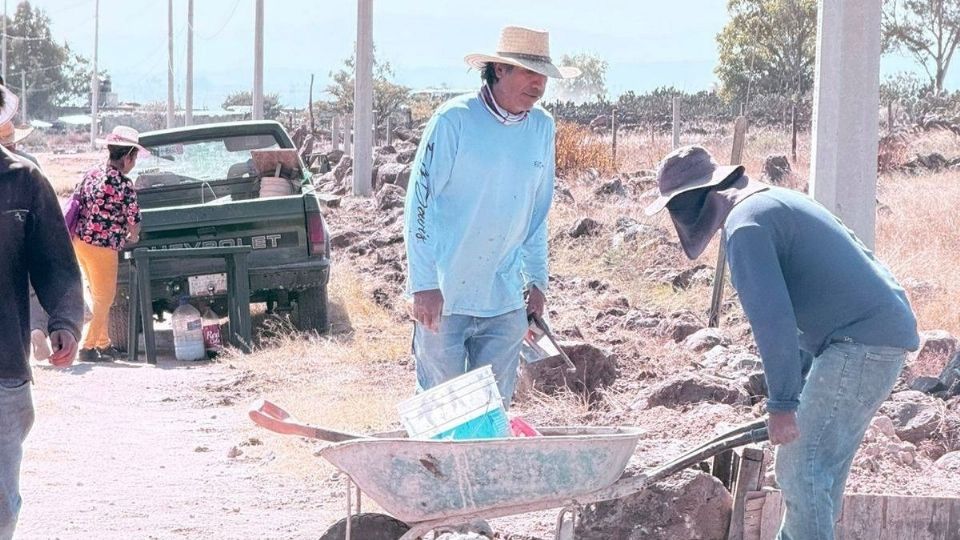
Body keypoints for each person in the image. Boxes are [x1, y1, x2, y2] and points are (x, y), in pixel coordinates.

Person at [646, 145, 919, 540]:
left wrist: (783, 404)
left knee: (800, 465)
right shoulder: (773, 201)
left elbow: (773, 322)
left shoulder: (746, 227)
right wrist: (798, 387)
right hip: (874, 337)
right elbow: (809, 304)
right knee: (817, 473)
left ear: (704, 197)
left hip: (859, 342)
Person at [403, 26, 580, 408]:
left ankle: (483, 469)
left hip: (503, 300)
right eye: (528, 72)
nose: (538, 84)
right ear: (499, 70)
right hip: (445, 297)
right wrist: (423, 283)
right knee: (443, 408)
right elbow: (419, 204)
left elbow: (537, 211)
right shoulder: (453, 121)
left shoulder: (541, 128)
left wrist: (537, 280)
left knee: (492, 409)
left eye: (543, 76)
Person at [0, 82, 83, 539]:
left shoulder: (24, 182)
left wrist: (64, 320)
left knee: (0, 504)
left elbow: (55, 263)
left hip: (4, 368)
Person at [71, 125, 146, 362]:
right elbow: (134, 222)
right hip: (102, 247)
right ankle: (87, 346)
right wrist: (133, 236)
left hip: (80, 243)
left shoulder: (92, 174)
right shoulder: (124, 185)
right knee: (105, 298)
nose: (134, 163)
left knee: (97, 295)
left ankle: (103, 344)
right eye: (134, 158)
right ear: (127, 157)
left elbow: (77, 199)